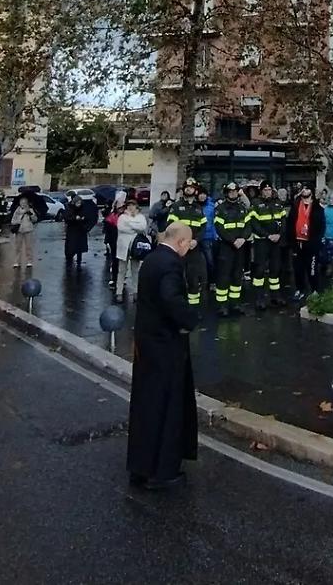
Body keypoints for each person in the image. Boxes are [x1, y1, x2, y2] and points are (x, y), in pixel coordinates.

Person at [126, 221, 201, 490]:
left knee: (146, 405)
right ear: (180, 242)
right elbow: (171, 299)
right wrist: (190, 318)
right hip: (165, 346)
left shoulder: (152, 259)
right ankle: (162, 471)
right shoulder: (171, 265)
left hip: (147, 343)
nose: (188, 249)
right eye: (188, 244)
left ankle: (141, 466)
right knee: (166, 407)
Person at [167, 180, 209, 308]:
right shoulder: (176, 207)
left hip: (194, 248)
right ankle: (178, 308)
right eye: (187, 188)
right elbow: (171, 226)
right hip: (180, 248)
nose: (189, 190)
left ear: (195, 190)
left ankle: (193, 309)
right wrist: (183, 241)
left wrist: (196, 240)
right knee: (178, 278)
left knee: (193, 279)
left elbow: (203, 227)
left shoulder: (198, 208)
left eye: (192, 188)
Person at [213, 181, 250, 317]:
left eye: (235, 191)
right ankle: (222, 305)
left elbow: (248, 226)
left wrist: (243, 238)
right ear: (227, 193)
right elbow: (219, 228)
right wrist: (232, 240)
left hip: (240, 246)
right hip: (226, 247)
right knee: (223, 276)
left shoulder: (242, 208)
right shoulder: (220, 209)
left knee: (237, 276)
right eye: (230, 191)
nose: (233, 193)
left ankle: (235, 303)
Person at [248, 182, 286, 309]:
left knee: (275, 269)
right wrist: (267, 235)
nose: (267, 192)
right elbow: (254, 223)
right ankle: (259, 298)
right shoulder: (255, 203)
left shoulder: (278, 203)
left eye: (269, 189)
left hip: (276, 241)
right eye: (265, 190)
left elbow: (283, 221)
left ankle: (275, 296)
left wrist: (279, 235)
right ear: (261, 191)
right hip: (262, 241)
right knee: (259, 270)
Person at [284, 186, 324, 302]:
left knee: (312, 268)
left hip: (311, 244)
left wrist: (317, 241)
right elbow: (290, 224)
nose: (305, 192)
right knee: (298, 269)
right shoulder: (295, 206)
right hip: (298, 243)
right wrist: (291, 241)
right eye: (304, 190)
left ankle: (314, 290)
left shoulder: (317, 208)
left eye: (308, 189)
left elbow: (320, 227)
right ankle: (300, 290)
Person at [115, 198, 148, 301]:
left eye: (133, 205)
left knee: (135, 270)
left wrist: (129, 223)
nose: (131, 207)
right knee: (122, 270)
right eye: (129, 205)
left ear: (136, 207)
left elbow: (142, 227)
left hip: (135, 247)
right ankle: (118, 292)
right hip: (123, 247)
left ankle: (136, 292)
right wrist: (134, 225)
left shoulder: (141, 217)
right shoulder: (122, 217)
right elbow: (121, 227)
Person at [10, 189, 38, 270]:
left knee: (28, 247)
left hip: (28, 230)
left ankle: (29, 261)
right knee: (17, 247)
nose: (23, 204)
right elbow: (13, 221)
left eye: (24, 203)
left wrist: (31, 214)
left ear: (27, 203)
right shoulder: (17, 211)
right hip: (19, 230)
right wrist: (19, 217)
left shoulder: (30, 210)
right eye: (21, 203)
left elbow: (35, 220)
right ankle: (16, 262)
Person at [63, 191, 90, 270]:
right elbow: (67, 218)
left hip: (81, 230)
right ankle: (69, 258)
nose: (79, 204)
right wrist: (75, 218)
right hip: (72, 230)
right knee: (71, 246)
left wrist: (83, 219)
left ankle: (79, 260)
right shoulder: (69, 208)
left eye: (80, 203)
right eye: (77, 203)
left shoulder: (83, 208)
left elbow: (87, 217)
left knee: (79, 247)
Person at [103, 193, 122, 289]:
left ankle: (120, 279)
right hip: (114, 242)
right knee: (115, 260)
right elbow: (108, 232)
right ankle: (115, 279)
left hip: (123, 242)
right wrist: (108, 243)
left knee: (123, 262)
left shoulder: (125, 217)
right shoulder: (111, 218)